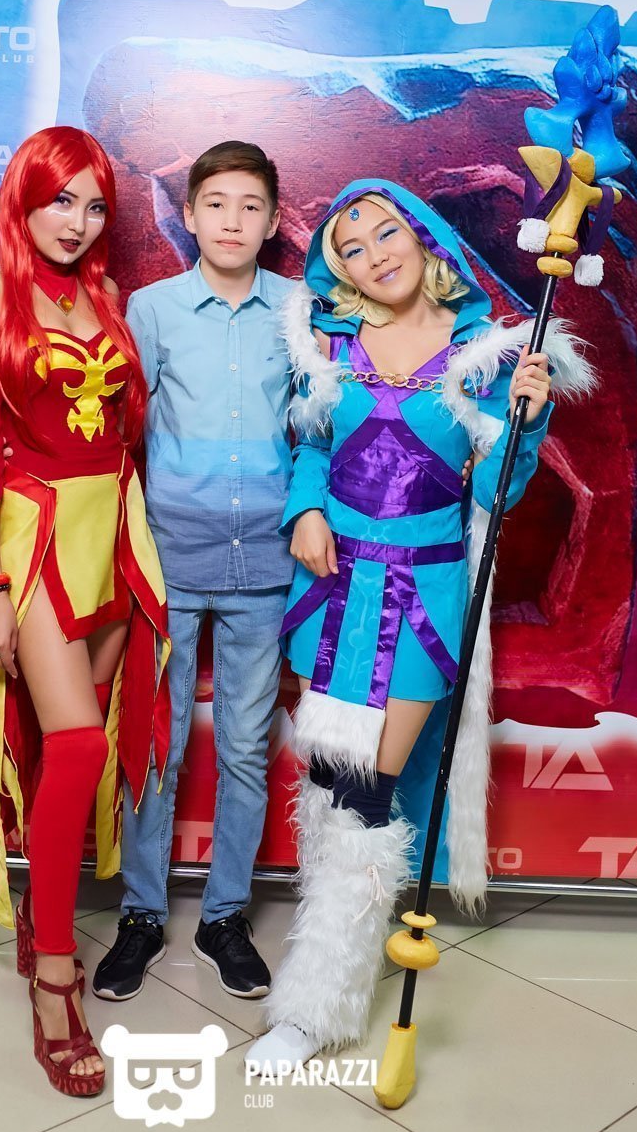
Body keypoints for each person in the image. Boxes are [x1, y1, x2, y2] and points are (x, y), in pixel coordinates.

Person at [246, 178, 594, 1069]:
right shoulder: (327, 343)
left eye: (385, 232)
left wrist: (525, 421)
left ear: (423, 237)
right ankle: (329, 961)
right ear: (338, 270)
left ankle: (315, 1011)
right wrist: (304, 509)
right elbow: (310, 445)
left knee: (366, 791)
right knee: (328, 780)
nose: (373, 254)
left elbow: (497, 493)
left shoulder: (484, 356)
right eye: (350, 247)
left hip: (422, 601)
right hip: (331, 592)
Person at [0, 126, 170, 1097]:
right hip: (34, 535)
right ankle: (53, 978)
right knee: (77, 743)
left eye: (93, 205)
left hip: (112, 529)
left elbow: (124, 429)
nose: (77, 222)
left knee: (65, 749)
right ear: (23, 201)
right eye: (59, 201)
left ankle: (44, 914)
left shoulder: (107, 295)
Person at [91, 141, 295, 1003]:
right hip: (169, 558)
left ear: (274, 221)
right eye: (215, 204)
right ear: (188, 215)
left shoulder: (301, 310)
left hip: (269, 561)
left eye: (250, 206)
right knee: (156, 746)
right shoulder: (152, 308)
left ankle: (225, 917)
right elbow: (119, 430)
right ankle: (141, 913)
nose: (231, 221)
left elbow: (320, 423)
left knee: (245, 749)